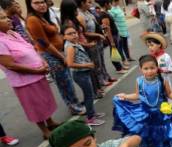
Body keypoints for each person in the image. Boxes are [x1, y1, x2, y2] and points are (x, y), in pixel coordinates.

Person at [113, 55, 172, 147]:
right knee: (147, 131)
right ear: (140, 69)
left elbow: (169, 93)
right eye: (146, 68)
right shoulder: (139, 81)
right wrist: (125, 96)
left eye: (152, 68)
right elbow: (137, 95)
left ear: (157, 68)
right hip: (144, 113)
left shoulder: (163, 80)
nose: (149, 71)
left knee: (161, 133)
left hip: (160, 114)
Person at [0, 10, 60, 139]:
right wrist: (37, 71)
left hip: (38, 74)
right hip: (24, 81)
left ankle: (50, 122)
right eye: (3, 18)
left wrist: (43, 62)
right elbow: (10, 65)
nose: (8, 19)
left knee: (44, 100)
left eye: (6, 16)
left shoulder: (13, 33)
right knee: (34, 105)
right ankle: (45, 131)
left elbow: (31, 48)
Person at [25, 0, 83, 115]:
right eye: (36, 3)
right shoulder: (33, 20)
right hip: (51, 56)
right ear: (30, 5)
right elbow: (43, 43)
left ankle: (75, 102)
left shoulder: (42, 17)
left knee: (68, 80)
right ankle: (73, 106)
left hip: (59, 53)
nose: (41, 5)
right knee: (63, 82)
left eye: (42, 2)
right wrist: (61, 56)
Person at [63, 25, 106, 126]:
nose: (74, 35)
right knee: (89, 95)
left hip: (84, 72)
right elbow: (69, 64)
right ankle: (90, 118)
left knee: (90, 94)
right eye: (70, 34)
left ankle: (93, 113)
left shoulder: (74, 43)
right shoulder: (70, 47)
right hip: (80, 74)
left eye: (75, 33)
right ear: (64, 37)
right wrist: (87, 64)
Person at [76, 0, 117, 88]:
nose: (91, 4)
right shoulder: (80, 15)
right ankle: (101, 80)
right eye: (88, 2)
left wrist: (101, 27)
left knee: (101, 60)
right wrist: (97, 34)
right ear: (82, 3)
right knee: (96, 62)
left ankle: (106, 76)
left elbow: (95, 24)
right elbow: (84, 33)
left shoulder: (88, 12)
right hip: (91, 42)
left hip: (98, 40)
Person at [96, 0, 129, 74]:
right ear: (106, 4)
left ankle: (120, 66)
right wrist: (111, 41)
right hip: (112, 36)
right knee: (113, 51)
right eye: (109, 3)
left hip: (115, 34)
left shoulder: (106, 13)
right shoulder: (103, 15)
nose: (111, 5)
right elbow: (107, 29)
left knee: (116, 51)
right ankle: (118, 68)